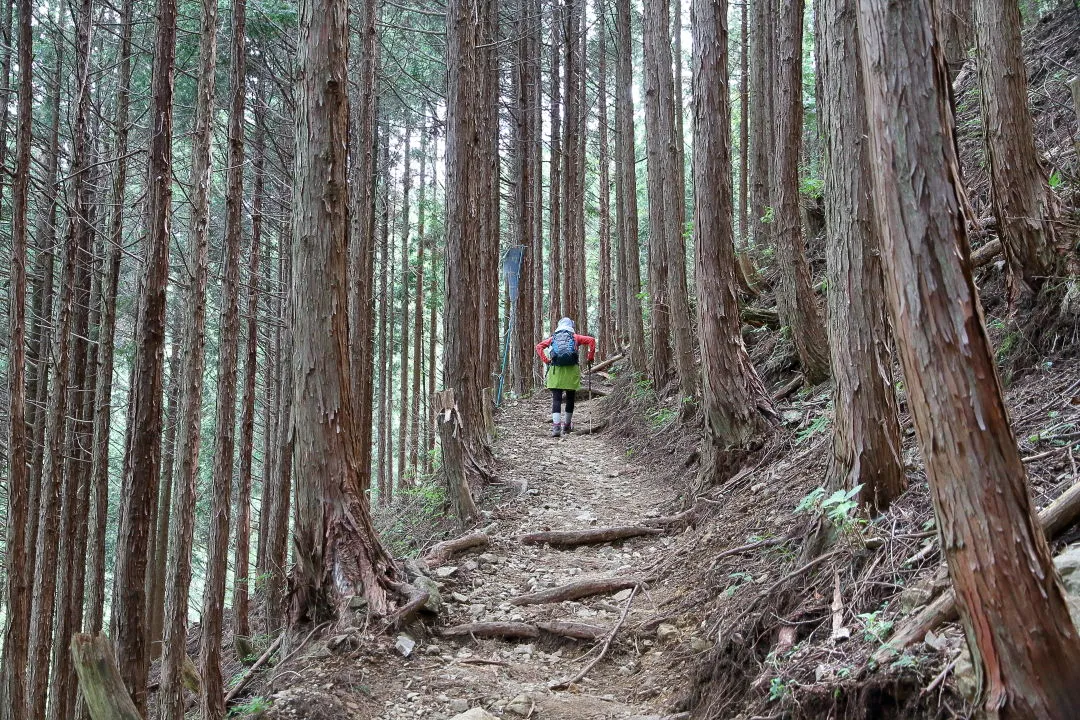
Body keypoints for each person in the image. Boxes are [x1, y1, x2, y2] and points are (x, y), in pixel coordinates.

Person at [535, 317, 596, 437]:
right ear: (571, 326)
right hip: (571, 371)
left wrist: (546, 360)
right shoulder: (575, 337)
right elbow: (592, 340)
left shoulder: (553, 338)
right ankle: (567, 426)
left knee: (556, 399)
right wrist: (590, 358)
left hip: (556, 371)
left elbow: (539, 347)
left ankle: (556, 427)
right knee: (570, 398)